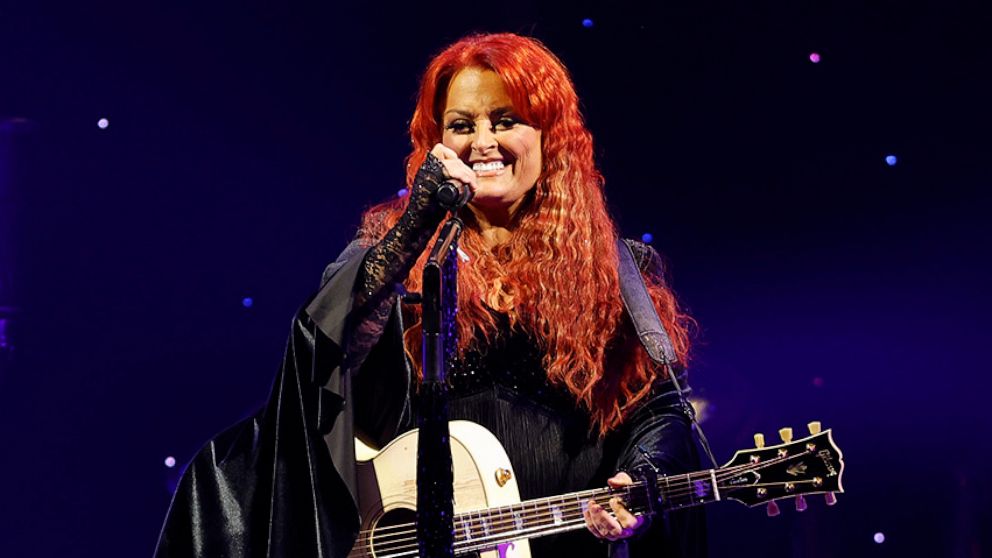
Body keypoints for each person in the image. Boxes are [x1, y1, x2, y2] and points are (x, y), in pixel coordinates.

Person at [155, 33, 706, 558]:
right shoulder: (394, 250)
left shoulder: (619, 266)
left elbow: (657, 409)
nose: (483, 142)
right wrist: (413, 228)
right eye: (462, 124)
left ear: (550, 136)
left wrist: (640, 477)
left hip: (566, 545)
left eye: (506, 120)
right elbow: (323, 351)